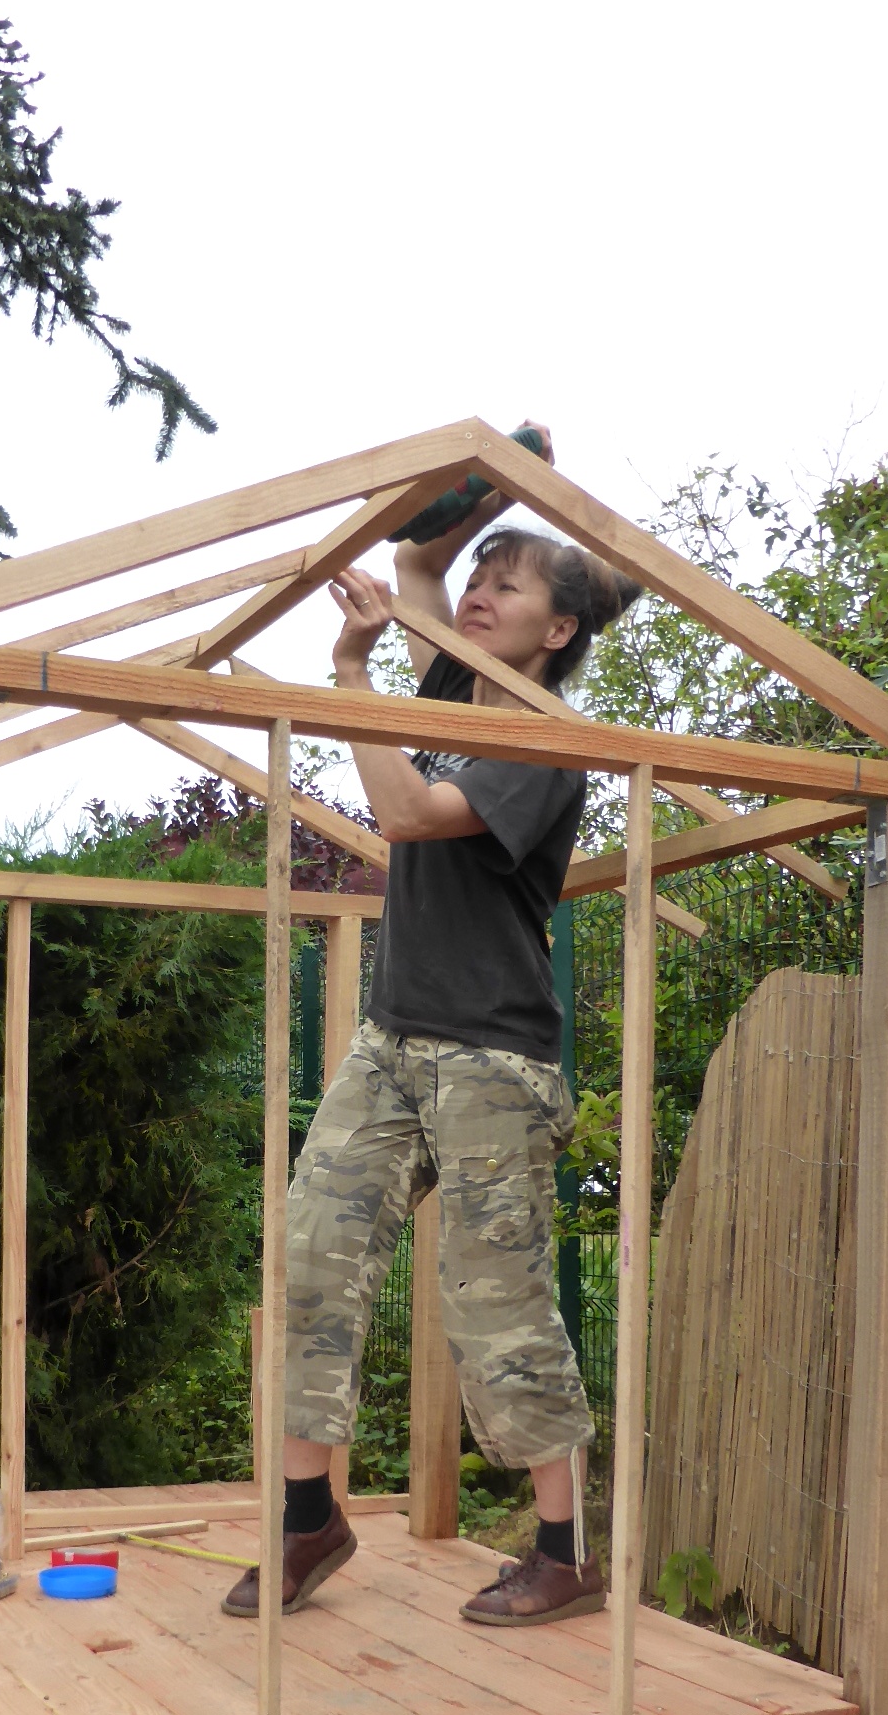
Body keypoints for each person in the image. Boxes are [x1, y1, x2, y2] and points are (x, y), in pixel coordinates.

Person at [222, 433, 643, 1630]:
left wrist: (351, 679)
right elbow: (417, 569)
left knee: (495, 1295)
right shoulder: (457, 688)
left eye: (511, 585)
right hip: (395, 1035)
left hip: (493, 1056)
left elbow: (402, 813)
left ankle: (562, 1551)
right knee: (313, 1258)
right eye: (486, 577)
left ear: (557, 630)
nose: (481, 593)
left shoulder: (544, 744)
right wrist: (491, 486)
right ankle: (312, 1524)